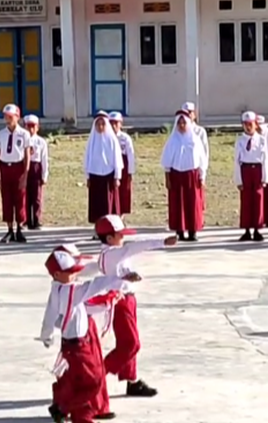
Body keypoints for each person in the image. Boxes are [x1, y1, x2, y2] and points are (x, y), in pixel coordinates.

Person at [39, 247, 142, 422]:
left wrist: (47, 336)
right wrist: (119, 278)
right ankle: (62, 408)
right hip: (78, 347)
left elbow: (50, 317)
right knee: (92, 383)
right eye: (69, 272)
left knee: (76, 382)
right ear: (57, 274)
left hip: (70, 345)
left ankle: (74, 413)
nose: (73, 275)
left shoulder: (56, 290)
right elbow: (94, 285)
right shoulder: (70, 291)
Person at [94, 214, 177, 399]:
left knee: (127, 342)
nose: (123, 237)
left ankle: (132, 381)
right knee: (131, 344)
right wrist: (162, 241)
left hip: (127, 298)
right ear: (109, 238)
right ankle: (96, 374)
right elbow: (137, 246)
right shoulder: (112, 253)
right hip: (120, 301)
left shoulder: (113, 252)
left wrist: (128, 276)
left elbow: (117, 272)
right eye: (120, 234)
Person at [161, 110, 207, 241]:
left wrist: (202, 176)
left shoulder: (195, 140)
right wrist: (168, 178)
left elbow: (202, 160)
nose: (182, 126)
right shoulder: (172, 140)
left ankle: (193, 231)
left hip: (192, 176)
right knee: (178, 204)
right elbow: (167, 162)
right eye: (179, 123)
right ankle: (180, 231)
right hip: (176, 176)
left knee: (192, 204)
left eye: (184, 123)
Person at [0, 104, 31, 243]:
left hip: (18, 168)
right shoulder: (0, 135)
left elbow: (27, 155)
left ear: (17, 117)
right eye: (6, 117)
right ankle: (9, 229)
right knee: (7, 199)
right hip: (5, 168)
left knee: (20, 199)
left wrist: (25, 175)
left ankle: (20, 228)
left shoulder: (24, 134)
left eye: (11, 117)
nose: (8, 120)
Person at [84, 111, 124, 235]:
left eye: (102, 124)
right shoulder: (92, 141)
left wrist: (117, 177)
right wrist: (88, 176)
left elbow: (117, 159)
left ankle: (110, 229)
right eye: (98, 124)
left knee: (108, 205)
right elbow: (87, 159)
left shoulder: (112, 140)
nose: (100, 127)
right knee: (97, 206)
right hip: (95, 177)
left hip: (109, 177)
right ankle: (97, 230)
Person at [234, 111, 268, 241]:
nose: (248, 127)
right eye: (246, 124)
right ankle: (247, 229)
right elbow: (237, 161)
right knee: (246, 201)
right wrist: (238, 179)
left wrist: (265, 178)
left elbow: (265, 159)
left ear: (255, 124)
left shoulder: (261, 140)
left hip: (257, 170)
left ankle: (257, 229)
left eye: (251, 124)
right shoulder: (240, 140)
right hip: (246, 170)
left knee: (258, 200)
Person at [181, 102, 209, 210]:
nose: (188, 115)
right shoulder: (178, 131)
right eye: (185, 113)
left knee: (197, 195)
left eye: (190, 112)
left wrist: (203, 172)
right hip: (183, 168)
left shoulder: (200, 131)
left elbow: (205, 152)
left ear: (195, 114)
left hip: (196, 168)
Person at [24, 114, 48, 229]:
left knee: (36, 196)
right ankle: (27, 220)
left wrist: (44, 175)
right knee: (25, 195)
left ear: (37, 127)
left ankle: (37, 219)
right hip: (25, 168)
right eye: (28, 126)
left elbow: (44, 159)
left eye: (33, 126)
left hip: (36, 167)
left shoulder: (41, 142)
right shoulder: (23, 140)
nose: (31, 129)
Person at [108, 112, 135, 216]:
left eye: (116, 123)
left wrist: (130, 172)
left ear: (121, 124)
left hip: (123, 168)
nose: (114, 126)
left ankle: (121, 214)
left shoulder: (125, 138)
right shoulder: (106, 137)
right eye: (111, 123)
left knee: (123, 191)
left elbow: (130, 155)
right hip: (110, 168)